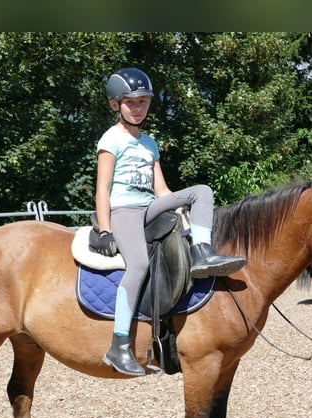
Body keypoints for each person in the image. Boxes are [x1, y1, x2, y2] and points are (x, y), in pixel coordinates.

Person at [92, 67, 246, 376]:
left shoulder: (150, 144)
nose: (138, 108)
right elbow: (102, 189)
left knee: (201, 191)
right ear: (115, 104)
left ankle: (203, 253)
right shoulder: (111, 139)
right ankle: (119, 343)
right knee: (138, 265)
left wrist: (181, 212)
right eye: (131, 102)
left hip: (149, 208)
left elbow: (161, 190)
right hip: (124, 212)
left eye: (143, 102)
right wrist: (106, 229)